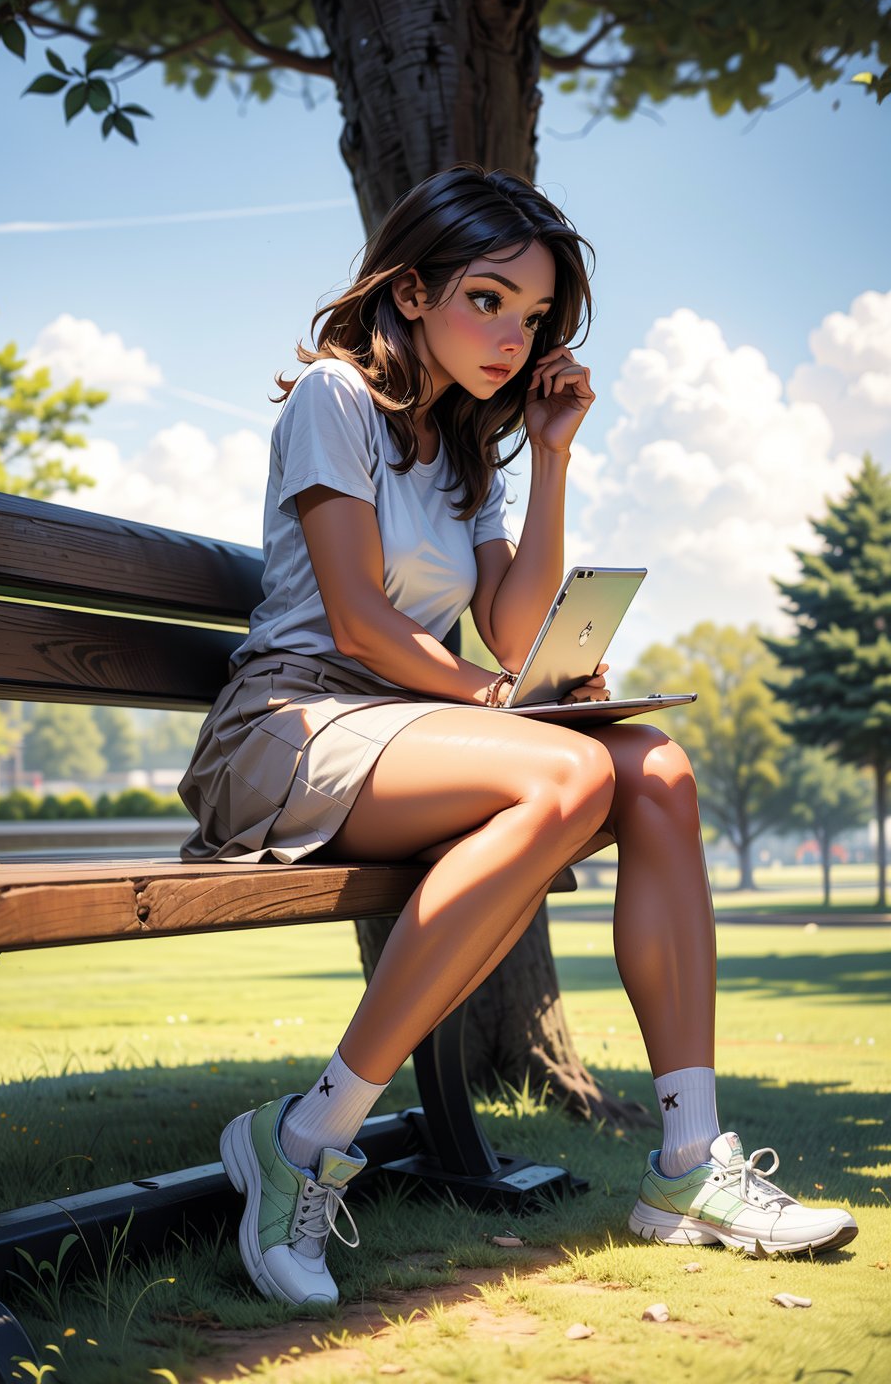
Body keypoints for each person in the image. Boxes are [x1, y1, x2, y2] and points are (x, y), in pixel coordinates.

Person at [179, 164, 856, 1306]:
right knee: (561, 774)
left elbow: (507, 627)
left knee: (654, 770)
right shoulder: (334, 400)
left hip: (404, 725)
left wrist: (547, 455)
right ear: (408, 292)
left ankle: (688, 1160)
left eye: (532, 316)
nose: (510, 335)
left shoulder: (464, 451)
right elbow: (354, 617)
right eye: (486, 300)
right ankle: (306, 1136)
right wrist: (497, 703)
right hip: (288, 728)